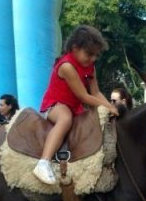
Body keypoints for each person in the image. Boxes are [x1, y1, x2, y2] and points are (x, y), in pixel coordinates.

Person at [34, 25, 118, 185]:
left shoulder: (90, 66)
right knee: (65, 119)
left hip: (75, 108)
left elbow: (96, 93)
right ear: (75, 48)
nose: (93, 59)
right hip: (55, 106)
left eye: (96, 55)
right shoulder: (67, 66)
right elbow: (84, 96)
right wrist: (108, 107)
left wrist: (110, 108)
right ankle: (43, 162)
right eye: (89, 54)